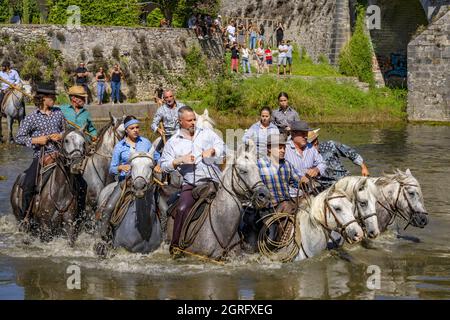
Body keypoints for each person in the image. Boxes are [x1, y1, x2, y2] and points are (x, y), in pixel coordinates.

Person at [160, 106, 225, 254]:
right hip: (191, 185)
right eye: (189, 120)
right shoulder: (173, 142)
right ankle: (176, 246)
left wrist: (213, 150)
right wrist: (179, 160)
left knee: (234, 204)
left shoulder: (207, 133)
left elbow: (222, 146)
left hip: (215, 181)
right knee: (182, 209)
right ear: (180, 121)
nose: (193, 122)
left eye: (194, 119)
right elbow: (164, 165)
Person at [96, 116, 153, 242]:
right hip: (125, 182)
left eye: (137, 127)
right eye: (132, 128)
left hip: (146, 182)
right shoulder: (119, 146)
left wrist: (158, 166)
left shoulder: (146, 143)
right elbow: (112, 168)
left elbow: (156, 158)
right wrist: (121, 167)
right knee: (109, 207)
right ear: (126, 130)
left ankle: (165, 236)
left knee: (163, 207)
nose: (136, 130)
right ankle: (104, 236)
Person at [15, 82, 65, 220]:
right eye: (51, 96)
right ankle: (25, 216)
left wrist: (61, 135)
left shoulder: (58, 113)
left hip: (60, 154)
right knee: (28, 185)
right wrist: (37, 140)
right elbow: (19, 138)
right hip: (41, 156)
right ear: (43, 98)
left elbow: (65, 130)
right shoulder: (31, 117)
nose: (54, 99)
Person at [257, 134, 305, 214]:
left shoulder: (287, 164)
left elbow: (297, 181)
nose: (283, 150)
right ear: (269, 149)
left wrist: (304, 183)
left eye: (284, 148)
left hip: (286, 206)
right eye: (279, 148)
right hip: (267, 209)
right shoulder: (259, 165)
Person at [284, 120, 327, 196]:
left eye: (306, 133)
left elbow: (322, 163)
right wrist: (299, 180)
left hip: (311, 190)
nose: (306, 136)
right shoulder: (285, 149)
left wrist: (317, 170)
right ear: (293, 134)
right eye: (303, 134)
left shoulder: (311, 148)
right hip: (292, 193)